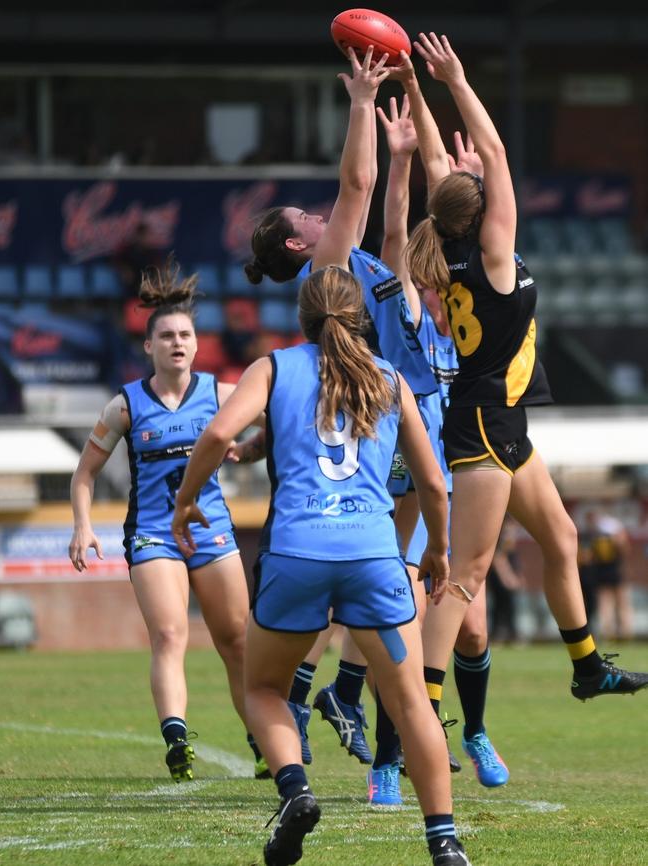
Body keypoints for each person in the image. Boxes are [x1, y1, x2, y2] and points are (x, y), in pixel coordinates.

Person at [171, 263, 473, 866]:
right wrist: (438, 549)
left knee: (262, 688)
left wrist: (185, 503)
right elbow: (434, 485)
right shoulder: (388, 378)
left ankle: (296, 792)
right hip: (374, 556)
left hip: (296, 555)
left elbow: (214, 437)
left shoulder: (274, 366)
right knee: (411, 700)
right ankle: (443, 840)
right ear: (359, 316)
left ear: (301, 315)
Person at [402, 32, 648, 706]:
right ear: (484, 215)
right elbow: (497, 153)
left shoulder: (452, 244)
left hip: (499, 422)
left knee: (561, 537)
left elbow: (435, 166)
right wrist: (452, 78)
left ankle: (588, 664)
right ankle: (422, 703)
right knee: (466, 574)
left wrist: (415, 88)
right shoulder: (492, 259)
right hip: (485, 423)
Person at [244, 46, 439, 772]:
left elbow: (389, 224)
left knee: (379, 587)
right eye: (310, 217)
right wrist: (361, 100)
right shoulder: (328, 267)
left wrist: (404, 158)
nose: (323, 214)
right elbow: (355, 185)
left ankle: (312, 701)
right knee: (389, 581)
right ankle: (341, 715)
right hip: (380, 429)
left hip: (390, 414)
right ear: (301, 243)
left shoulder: (354, 269)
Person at [361, 90, 507, 803]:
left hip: (461, 460)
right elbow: (394, 235)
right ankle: (388, 755)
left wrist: (463, 181)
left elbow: (470, 225)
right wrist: (401, 163)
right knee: (406, 617)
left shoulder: (470, 307)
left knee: (473, 628)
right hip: (407, 467)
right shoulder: (408, 311)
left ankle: (473, 731)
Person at [68, 260, 264, 782]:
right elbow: (84, 473)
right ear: (149, 346)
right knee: (171, 633)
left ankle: (262, 740)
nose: (178, 342)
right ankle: (177, 738)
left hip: (212, 530)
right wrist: (83, 525)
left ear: (198, 345)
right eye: (167, 336)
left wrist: (252, 449)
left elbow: (283, 421)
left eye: (186, 335)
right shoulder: (125, 406)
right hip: (154, 533)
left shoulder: (223, 395)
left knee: (238, 640)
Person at [582, 507, 634, 640]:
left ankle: (619, 632)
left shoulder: (596, 537)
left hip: (609, 572)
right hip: (608, 573)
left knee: (614, 604)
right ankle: (617, 633)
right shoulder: (600, 537)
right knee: (611, 604)